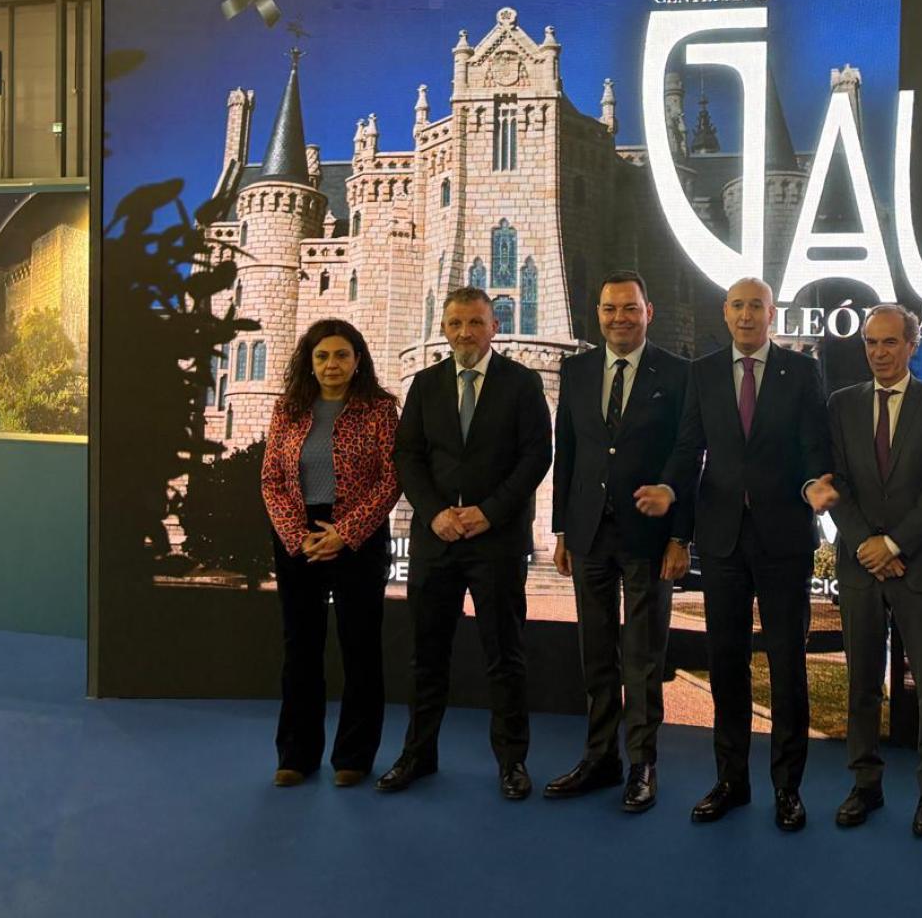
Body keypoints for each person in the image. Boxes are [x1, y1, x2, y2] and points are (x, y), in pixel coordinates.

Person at [634, 277, 832, 831]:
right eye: (738, 306)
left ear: (772, 314)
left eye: (757, 307)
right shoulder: (704, 372)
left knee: (787, 663)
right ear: (725, 313)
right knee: (726, 664)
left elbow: (815, 441)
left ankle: (788, 788)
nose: (747, 315)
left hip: (784, 536)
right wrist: (673, 491)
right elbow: (688, 446)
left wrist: (819, 480)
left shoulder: (801, 372)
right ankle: (731, 781)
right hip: (721, 538)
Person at [376, 287, 553, 799]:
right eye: (455, 323)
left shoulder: (522, 384)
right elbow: (408, 456)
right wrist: (434, 514)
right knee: (426, 656)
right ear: (445, 328)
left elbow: (535, 457)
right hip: (438, 541)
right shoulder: (427, 385)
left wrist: (488, 512)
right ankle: (417, 755)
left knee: (505, 655)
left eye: (475, 323)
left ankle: (512, 763)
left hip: (495, 541)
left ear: (493, 326)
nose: (465, 333)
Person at [547, 271, 692, 813]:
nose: (619, 318)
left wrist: (680, 533)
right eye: (609, 309)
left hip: (649, 539)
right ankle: (600, 757)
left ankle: (642, 764)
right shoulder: (578, 369)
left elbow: (687, 454)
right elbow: (570, 452)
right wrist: (563, 528)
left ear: (648, 311)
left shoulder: (678, 374)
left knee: (643, 656)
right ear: (598, 314)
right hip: (588, 534)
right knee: (596, 653)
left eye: (629, 308)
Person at [821, 304, 922, 836]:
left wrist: (895, 543)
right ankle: (865, 785)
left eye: (889, 343)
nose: (879, 353)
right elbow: (836, 484)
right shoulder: (841, 405)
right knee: (861, 682)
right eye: (870, 344)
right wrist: (867, 544)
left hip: (920, 564)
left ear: (911, 344)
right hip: (860, 566)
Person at [260, 318, 401, 788]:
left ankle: (354, 756)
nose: (331, 364)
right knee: (300, 649)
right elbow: (271, 481)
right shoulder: (288, 409)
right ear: (310, 362)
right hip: (298, 540)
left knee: (360, 648)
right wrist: (296, 535)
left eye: (341, 355)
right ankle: (296, 755)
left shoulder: (380, 410)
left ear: (357, 360)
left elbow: (390, 479)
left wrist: (346, 531)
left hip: (357, 539)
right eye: (322, 356)